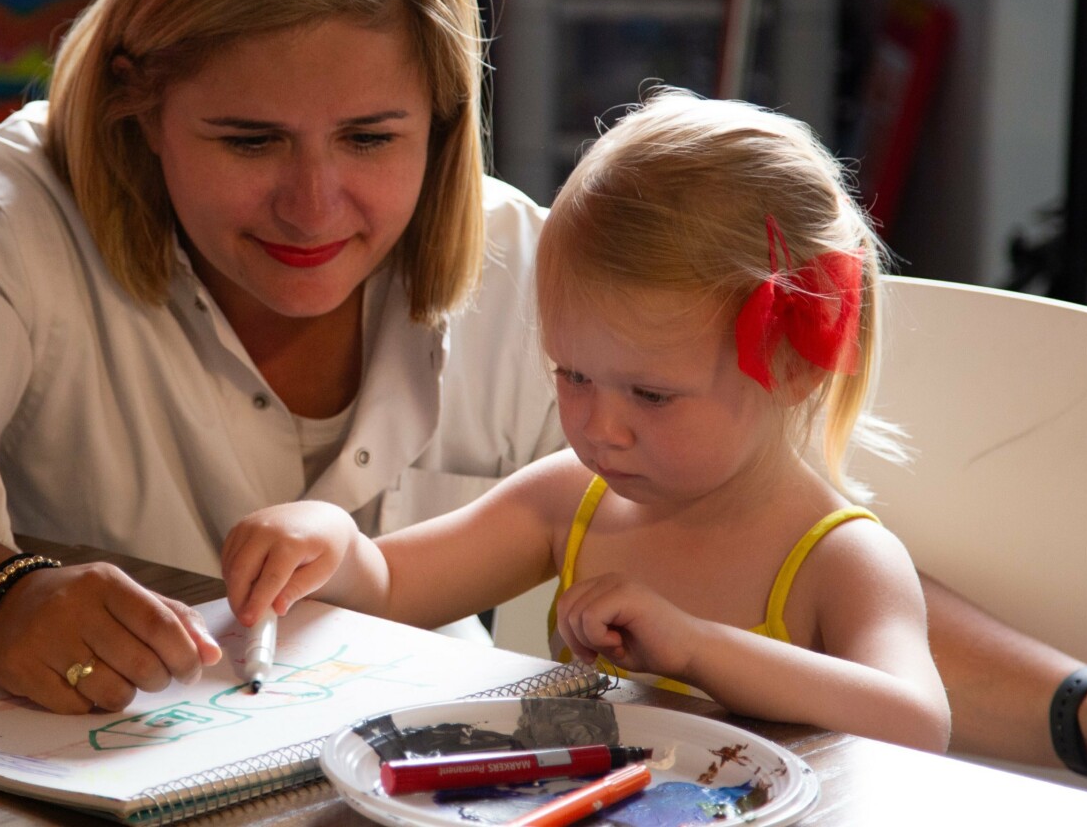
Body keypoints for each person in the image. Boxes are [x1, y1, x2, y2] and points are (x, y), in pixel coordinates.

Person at [0, 0, 1087, 787]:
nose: (316, 207)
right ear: (140, 100)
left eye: (376, 138)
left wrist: (1080, 709)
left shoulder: (533, 272)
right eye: (250, 141)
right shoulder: (8, 214)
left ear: (452, 116)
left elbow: (772, 540)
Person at [224, 92, 951, 749]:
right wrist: (332, 542)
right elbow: (391, 587)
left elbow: (918, 721)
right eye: (572, 375)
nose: (600, 427)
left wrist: (697, 648)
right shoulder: (571, 501)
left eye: (651, 395)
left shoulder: (840, 559)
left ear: (794, 365)